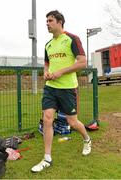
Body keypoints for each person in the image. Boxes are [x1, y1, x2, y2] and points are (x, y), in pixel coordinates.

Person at [31, 10, 91, 173]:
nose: (47, 24)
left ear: (60, 22)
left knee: (72, 122)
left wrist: (61, 72)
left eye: (50, 21)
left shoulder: (72, 39)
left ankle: (86, 139)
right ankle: (47, 158)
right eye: (46, 21)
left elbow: (82, 63)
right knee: (47, 119)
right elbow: (46, 64)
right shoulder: (48, 45)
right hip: (51, 88)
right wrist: (46, 72)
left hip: (68, 88)